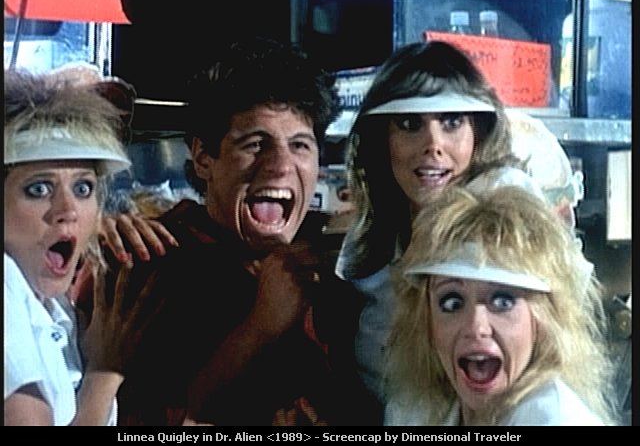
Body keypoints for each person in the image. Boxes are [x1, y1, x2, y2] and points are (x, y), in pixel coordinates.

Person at [94, 36, 373, 426]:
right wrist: (260, 326)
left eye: (300, 146)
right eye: (255, 144)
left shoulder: (337, 259)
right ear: (203, 157)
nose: (280, 166)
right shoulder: (152, 266)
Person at [334, 40, 545, 412]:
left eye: (452, 122)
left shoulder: (505, 209)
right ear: (382, 138)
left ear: (478, 132)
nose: (433, 145)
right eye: (409, 124)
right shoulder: (375, 227)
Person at [383, 185, 618, 425]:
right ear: (426, 321)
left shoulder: (557, 420)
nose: (476, 327)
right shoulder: (413, 411)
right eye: (452, 303)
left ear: (543, 319)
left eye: (503, 301)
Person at [3, 69, 155, 425]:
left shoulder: (57, 307)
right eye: (39, 189)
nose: (68, 210)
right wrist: (105, 371)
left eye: (83, 188)